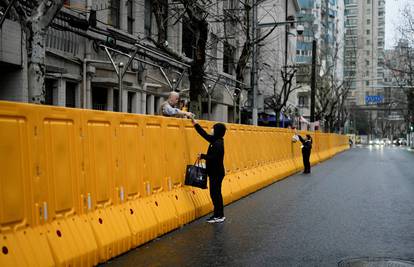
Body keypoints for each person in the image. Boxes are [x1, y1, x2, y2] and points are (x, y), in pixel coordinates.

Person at [191, 117, 226, 223]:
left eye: (213, 128)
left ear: (217, 131)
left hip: (217, 173)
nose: (211, 130)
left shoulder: (218, 144)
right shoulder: (215, 140)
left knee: (215, 194)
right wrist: (195, 124)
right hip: (215, 172)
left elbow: (215, 158)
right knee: (215, 194)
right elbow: (204, 135)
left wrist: (203, 156)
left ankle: (219, 215)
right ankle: (218, 214)